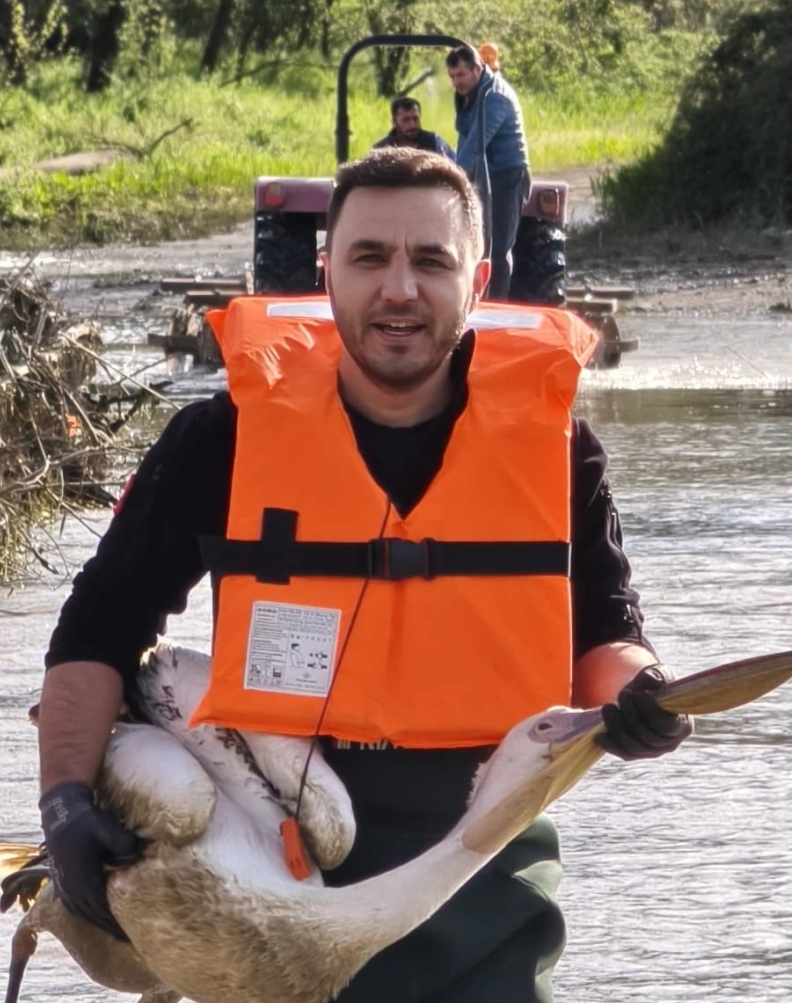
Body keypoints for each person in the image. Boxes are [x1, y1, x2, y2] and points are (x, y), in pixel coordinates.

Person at [34, 148, 692, 1002]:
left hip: (481, 851)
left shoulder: (558, 449)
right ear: (326, 271)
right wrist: (65, 807)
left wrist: (647, 699)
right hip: (264, 841)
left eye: (430, 261)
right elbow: (96, 632)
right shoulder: (219, 440)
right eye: (370, 258)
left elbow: (606, 636)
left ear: (479, 278)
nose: (398, 290)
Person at [446, 43, 530, 302]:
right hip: (483, 175)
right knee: (472, 242)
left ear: (477, 68)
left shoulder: (494, 97)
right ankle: (470, 300)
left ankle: (497, 305)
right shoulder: (469, 95)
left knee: (498, 247)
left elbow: (475, 146)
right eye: (452, 76)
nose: (456, 82)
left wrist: (449, 178)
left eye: (461, 75)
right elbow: (464, 139)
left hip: (507, 176)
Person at [373, 96, 457, 162]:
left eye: (415, 119)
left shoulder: (435, 142)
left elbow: (457, 165)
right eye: (405, 120)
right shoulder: (380, 151)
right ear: (394, 122)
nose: (412, 125)